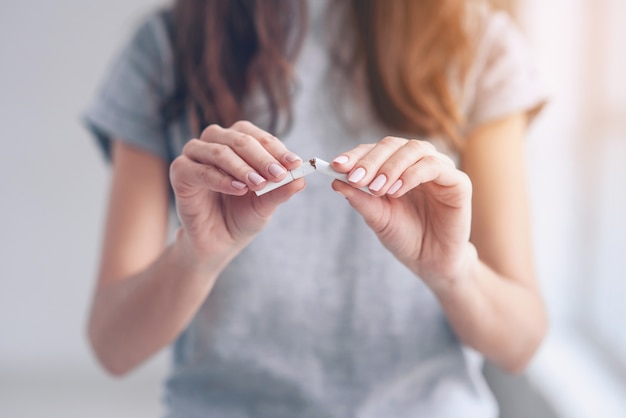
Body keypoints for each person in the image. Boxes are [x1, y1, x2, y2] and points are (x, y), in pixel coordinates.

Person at [84, 0, 548, 416]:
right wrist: (197, 257)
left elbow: (520, 343)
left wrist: (453, 272)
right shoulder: (168, 46)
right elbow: (113, 346)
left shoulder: (475, 41)